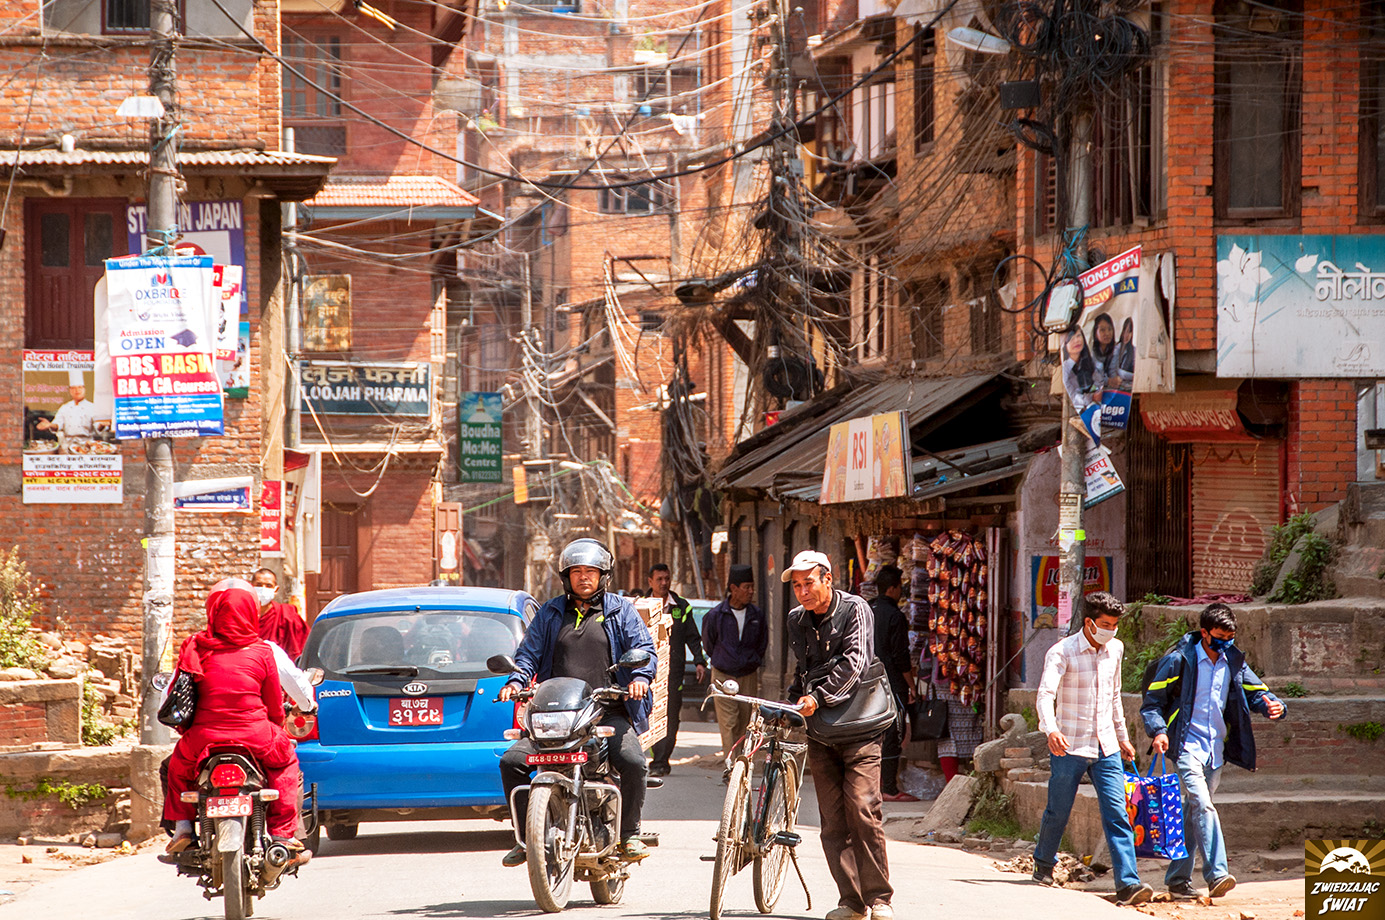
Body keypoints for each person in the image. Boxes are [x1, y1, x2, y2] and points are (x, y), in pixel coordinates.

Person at [497, 539, 656, 867]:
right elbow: (528, 654)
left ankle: (629, 834)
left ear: (603, 576)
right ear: (566, 577)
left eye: (591, 572)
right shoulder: (550, 612)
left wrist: (639, 678)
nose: (584, 577)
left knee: (633, 762)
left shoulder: (619, 610)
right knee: (512, 762)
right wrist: (515, 681)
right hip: (557, 713)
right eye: (576, 572)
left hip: (605, 710)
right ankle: (527, 839)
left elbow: (643, 648)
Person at [1141, 603, 1286, 901]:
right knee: (1203, 804)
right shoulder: (1178, 660)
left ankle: (1178, 878)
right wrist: (1159, 731)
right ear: (1204, 633)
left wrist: (1274, 705)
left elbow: (1257, 692)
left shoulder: (1232, 660)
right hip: (1186, 745)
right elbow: (1152, 703)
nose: (1225, 644)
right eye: (1220, 638)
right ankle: (1217, 873)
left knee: (1194, 811)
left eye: (1230, 637)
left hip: (1215, 749)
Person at [162, 579, 306, 864]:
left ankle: (182, 829)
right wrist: (276, 729)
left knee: (176, 768)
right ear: (251, 612)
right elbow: (274, 705)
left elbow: (175, 694)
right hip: (255, 733)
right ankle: (282, 835)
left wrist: (186, 731)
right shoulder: (262, 651)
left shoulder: (195, 647)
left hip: (204, 737)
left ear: (212, 612)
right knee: (286, 764)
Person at [785, 550, 894, 920]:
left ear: (827, 579)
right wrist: (789, 702)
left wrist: (817, 697)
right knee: (831, 821)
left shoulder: (856, 609)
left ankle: (879, 899)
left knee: (863, 808)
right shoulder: (796, 620)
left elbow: (856, 662)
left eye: (809, 583)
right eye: (797, 586)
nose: (803, 592)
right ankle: (851, 901)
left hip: (860, 727)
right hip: (821, 733)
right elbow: (803, 669)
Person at [1032, 592, 1151, 904]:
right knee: (1058, 810)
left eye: (1115, 625)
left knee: (1117, 812)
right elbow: (1045, 694)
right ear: (1089, 622)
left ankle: (1128, 883)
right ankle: (1043, 863)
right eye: (1105, 625)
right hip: (1068, 744)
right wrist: (1051, 729)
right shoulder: (1062, 652)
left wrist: (1123, 737)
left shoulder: (1115, 649)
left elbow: (1114, 697)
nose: (1111, 631)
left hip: (1107, 745)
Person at [701, 563, 768, 768]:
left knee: (745, 722)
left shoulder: (757, 615)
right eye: (746, 587)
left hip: (748, 674)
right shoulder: (715, 615)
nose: (751, 592)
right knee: (729, 722)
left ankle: (742, 763)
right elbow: (709, 644)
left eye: (752, 587)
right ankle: (731, 766)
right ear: (733, 588)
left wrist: (751, 661)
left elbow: (762, 644)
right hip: (723, 675)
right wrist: (724, 659)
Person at [645, 563, 706, 777]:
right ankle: (648, 757)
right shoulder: (641, 607)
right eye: (659, 579)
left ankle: (661, 761)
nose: (663, 583)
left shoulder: (681, 606)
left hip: (673, 673)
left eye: (666, 579)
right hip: (646, 672)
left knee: (670, 716)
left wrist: (699, 661)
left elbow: (693, 637)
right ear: (650, 581)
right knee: (651, 716)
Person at [869, 565, 916, 801]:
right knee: (893, 734)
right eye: (900, 587)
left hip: (867, 683)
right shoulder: (895, 616)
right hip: (891, 683)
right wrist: (912, 685)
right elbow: (900, 656)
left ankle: (872, 785)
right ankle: (889, 788)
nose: (901, 592)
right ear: (892, 588)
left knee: (871, 733)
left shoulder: (867, 609)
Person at [252, 567, 309, 660]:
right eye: (259, 585)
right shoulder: (243, 614)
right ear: (251, 587)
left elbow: (301, 646)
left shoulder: (286, 614)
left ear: (276, 589)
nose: (263, 589)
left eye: (268, 585)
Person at [1060, 327, 1103, 447]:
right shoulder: (1066, 369)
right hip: (1083, 413)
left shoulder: (1090, 362)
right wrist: (1092, 397)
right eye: (1071, 339)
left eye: (1079, 336)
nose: (1076, 341)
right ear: (1065, 345)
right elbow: (1074, 396)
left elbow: (1100, 382)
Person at [36, 371, 98, 441]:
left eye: (80, 387)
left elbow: (98, 426)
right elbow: (57, 424)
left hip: (86, 443)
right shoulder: (65, 407)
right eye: (73, 388)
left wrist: (103, 424)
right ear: (70, 391)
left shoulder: (92, 407)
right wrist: (50, 425)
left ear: (84, 389)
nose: (77, 390)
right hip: (67, 444)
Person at [1090, 312, 1120, 388]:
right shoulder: (1091, 351)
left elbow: (1113, 371)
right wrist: (1109, 381)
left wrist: (1115, 381)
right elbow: (1095, 377)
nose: (1107, 333)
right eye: (1102, 330)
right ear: (1095, 333)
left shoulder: (1114, 349)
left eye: (1110, 329)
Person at [1115, 317, 1135, 389]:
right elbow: (1115, 370)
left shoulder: (1133, 350)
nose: (1126, 335)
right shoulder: (1116, 348)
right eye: (1125, 331)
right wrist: (1132, 376)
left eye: (1129, 332)